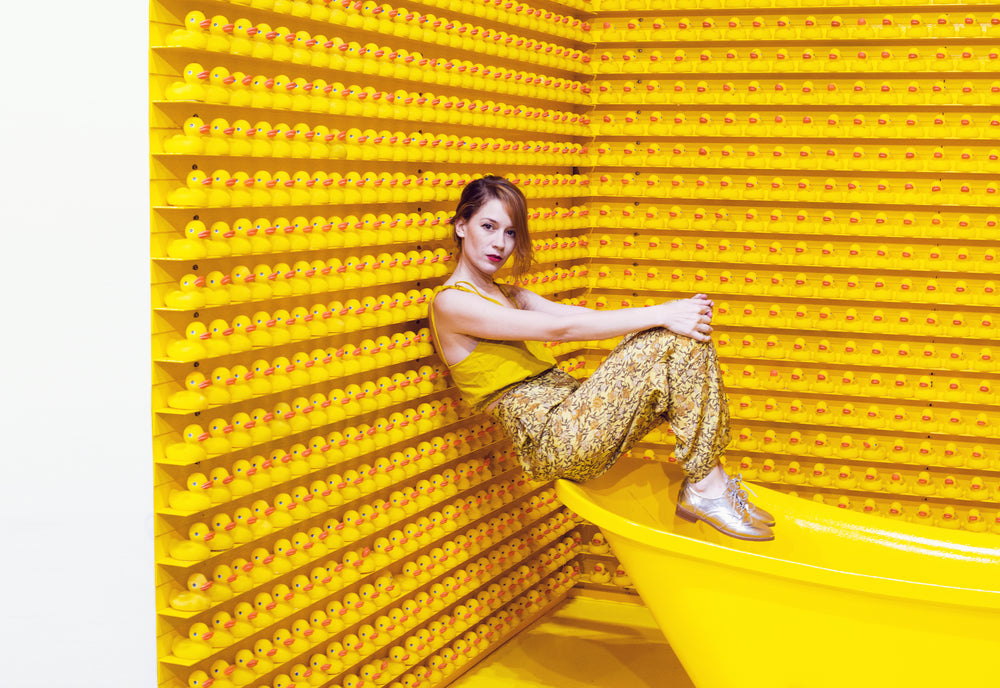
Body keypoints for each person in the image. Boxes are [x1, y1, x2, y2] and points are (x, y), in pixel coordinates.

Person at [429, 176, 774, 541]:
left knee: (681, 340)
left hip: (577, 414)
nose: (501, 243)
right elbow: (561, 331)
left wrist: (668, 315)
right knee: (668, 336)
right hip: (555, 438)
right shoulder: (451, 303)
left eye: (511, 232)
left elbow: (580, 315)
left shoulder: (512, 293)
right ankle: (708, 489)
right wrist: (663, 313)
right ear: (461, 226)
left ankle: (710, 482)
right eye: (489, 226)